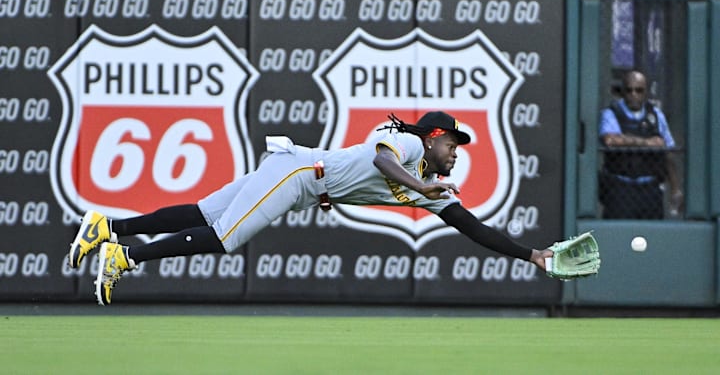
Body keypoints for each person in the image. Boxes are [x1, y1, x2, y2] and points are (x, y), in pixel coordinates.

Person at [68, 111, 554, 305]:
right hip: (298, 174)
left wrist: (531, 255)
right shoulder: (405, 144)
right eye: (453, 142)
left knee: (202, 211)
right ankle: (125, 257)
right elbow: (383, 161)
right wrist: (420, 189)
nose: (456, 151)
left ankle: (106, 225)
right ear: (432, 137)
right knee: (225, 236)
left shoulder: (433, 183)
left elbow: (473, 229)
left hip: (300, 177)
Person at [598, 70, 683, 219]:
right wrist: (647, 142)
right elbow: (611, 140)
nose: (633, 95)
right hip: (620, 187)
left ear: (646, 92)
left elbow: (667, 151)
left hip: (650, 188)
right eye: (629, 90)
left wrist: (675, 188)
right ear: (623, 91)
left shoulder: (656, 116)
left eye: (639, 90)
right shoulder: (612, 113)